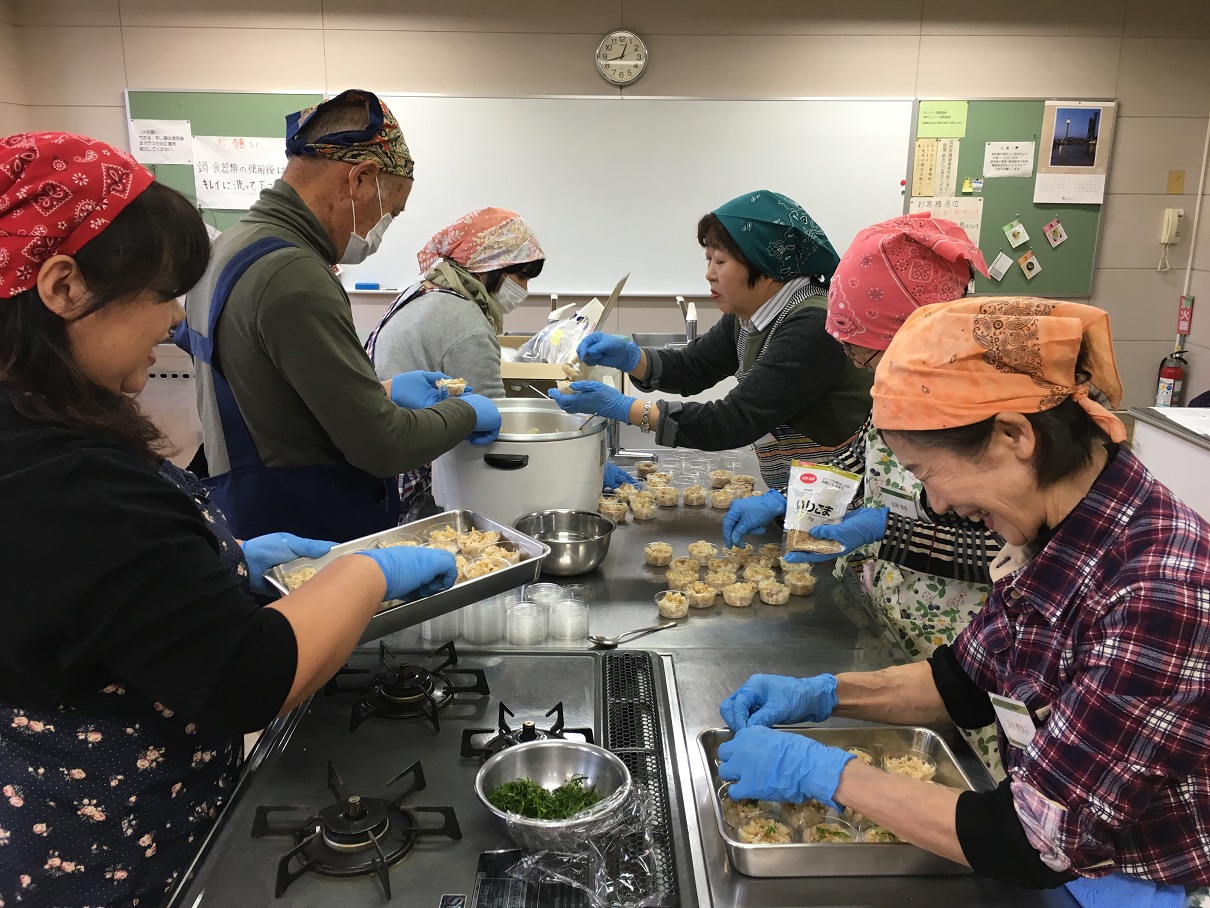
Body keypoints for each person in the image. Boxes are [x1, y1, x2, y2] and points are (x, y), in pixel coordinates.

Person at [0, 132, 460, 907]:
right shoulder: (71, 480)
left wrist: (225, 562)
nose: (173, 321)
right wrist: (367, 570)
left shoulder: (33, 426)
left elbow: (87, 599)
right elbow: (250, 676)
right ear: (64, 285)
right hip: (109, 852)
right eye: (160, 295)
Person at [718, 298, 1210, 906]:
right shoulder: (1053, 533)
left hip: (1133, 886)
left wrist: (825, 773)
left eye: (929, 474)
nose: (937, 505)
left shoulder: (1158, 591)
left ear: (1014, 435)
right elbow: (964, 682)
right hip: (1057, 859)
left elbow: (1033, 839)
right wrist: (825, 694)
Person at [722, 213, 1003, 774]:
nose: (855, 363)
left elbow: (1008, 554)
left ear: (911, 335)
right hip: (889, 625)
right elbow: (860, 459)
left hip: (962, 654)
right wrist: (794, 497)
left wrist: (885, 532)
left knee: (955, 779)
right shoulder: (895, 387)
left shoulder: (986, 411)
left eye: (863, 350)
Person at [181, 89, 500, 542]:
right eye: (390, 212)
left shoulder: (228, 248)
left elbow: (269, 388)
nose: (380, 229)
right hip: (304, 526)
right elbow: (383, 446)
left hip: (245, 505)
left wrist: (382, 391)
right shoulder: (292, 273)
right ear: (361, 179)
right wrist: (465, 411)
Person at [549, 189, 873, 490]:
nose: (709, 273)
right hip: (803, 489)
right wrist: (634, 359)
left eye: (720, 261)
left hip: (840, 492)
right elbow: (693, 366)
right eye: (708, 260)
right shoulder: (747, 316)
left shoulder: (813, 323)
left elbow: (734, 420)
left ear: (766, 265)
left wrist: (626, 408)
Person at [365, 208, 545, 515]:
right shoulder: (468, 325)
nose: (524, 290)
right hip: (407, 480)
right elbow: (492, 428)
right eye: (520, 276)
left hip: (376, 455)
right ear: (488, 266)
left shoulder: (422, 289)